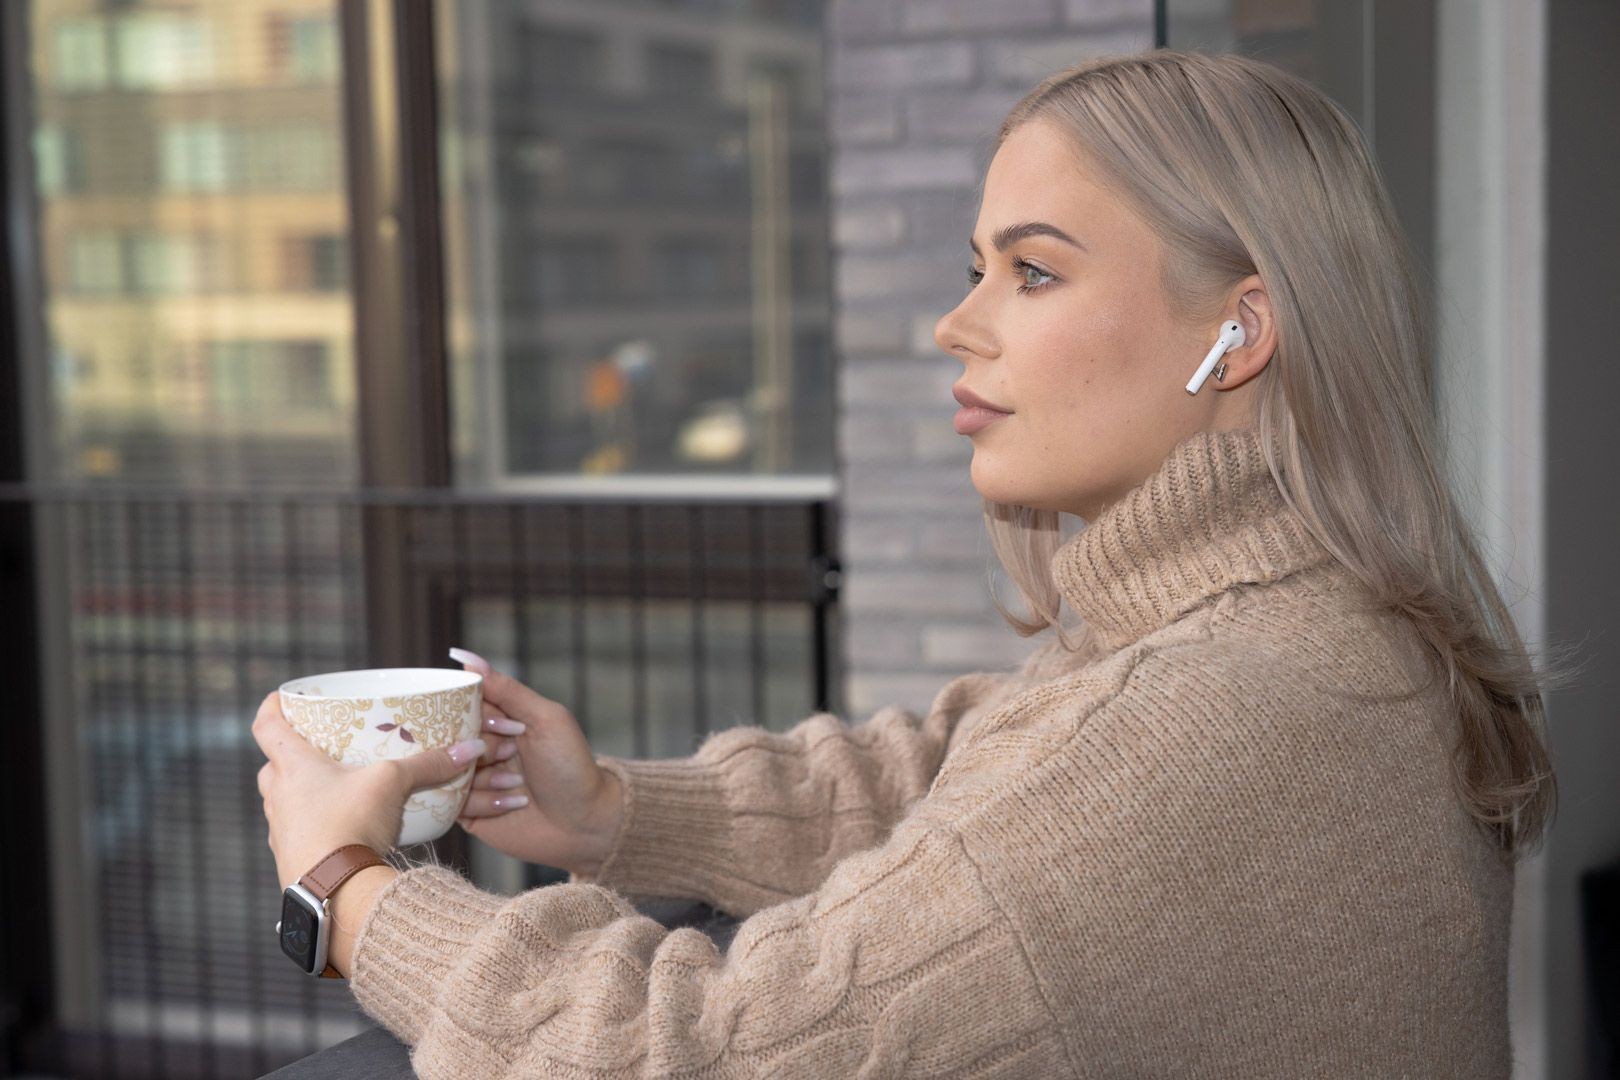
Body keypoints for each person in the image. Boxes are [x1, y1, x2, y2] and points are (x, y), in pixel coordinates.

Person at [253, 48, 1576, 1077]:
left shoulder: (1223, 717)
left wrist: (349, 894)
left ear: (1235, 336)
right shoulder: (1271, 632)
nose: (956, 325)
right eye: (973, 269)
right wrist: (611, 813)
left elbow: (685, 1054)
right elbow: (952, 786)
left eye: (1033, 275)